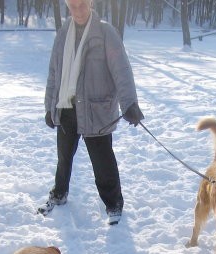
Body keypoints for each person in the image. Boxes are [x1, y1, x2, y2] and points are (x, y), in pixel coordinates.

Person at [39, 0, 144, 226]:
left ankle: (113, 203)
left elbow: (122, 70)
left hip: (96, 110)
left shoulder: (105, 32)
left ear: (91, 4)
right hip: (66, 106)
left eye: (82, 5)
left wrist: (129, 104)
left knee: (102, 160)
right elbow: (54, 72)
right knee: (63, 158)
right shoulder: (63, 33)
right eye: (73, 6)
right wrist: (49, 105)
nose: (78, 11)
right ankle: (59, 193)